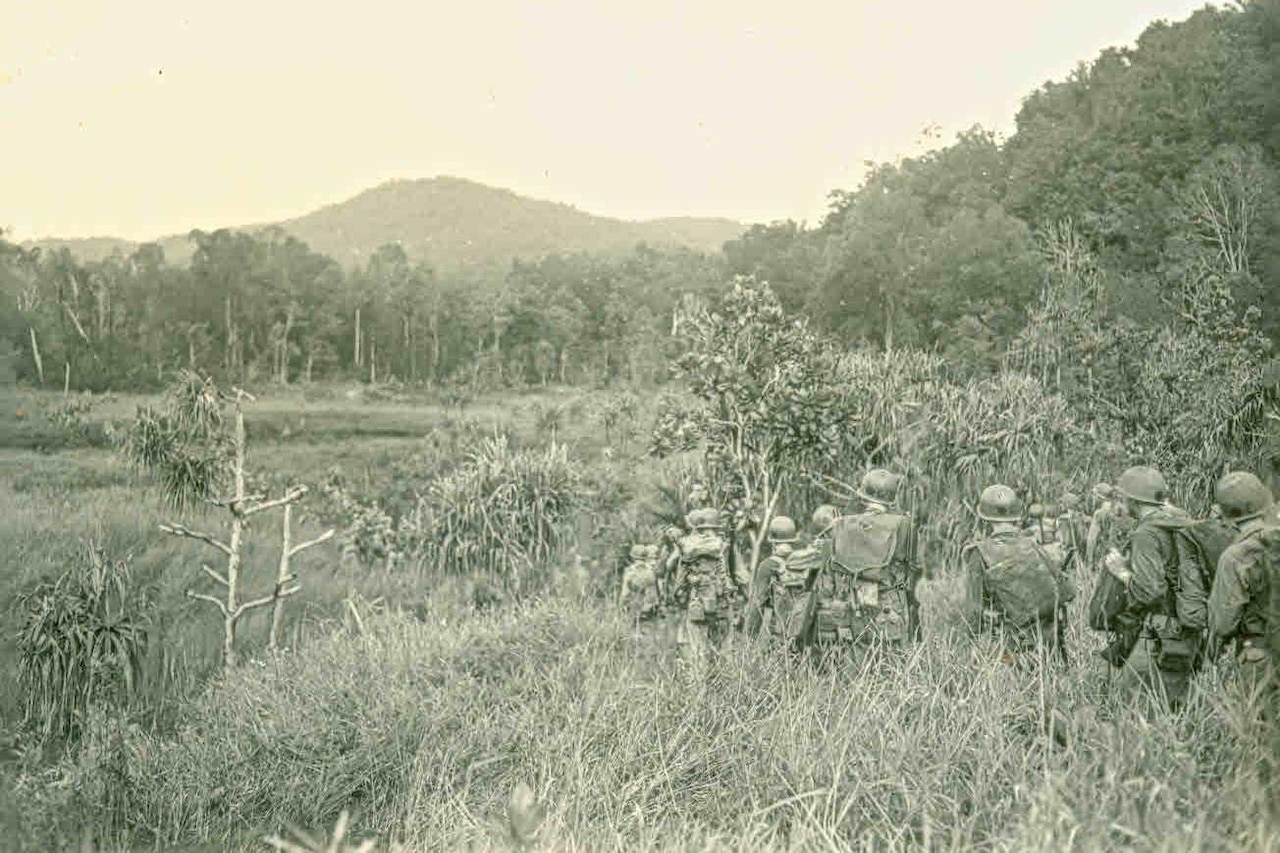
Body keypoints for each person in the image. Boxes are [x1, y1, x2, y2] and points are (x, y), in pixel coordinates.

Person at [1092, 466, 1201, 711]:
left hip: (1161, 631)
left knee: (1131, 703)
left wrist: (1121, 571)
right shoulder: (1181, 522)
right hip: (1188, 626)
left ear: (1132, 499)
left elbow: (1150, 591)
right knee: (1175, 702)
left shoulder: (1146, 533)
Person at [810, 469, 919, 656]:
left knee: (853, 666)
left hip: (851, 607)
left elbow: (827, 572)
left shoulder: (840, 524)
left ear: (863, 496)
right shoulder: (905, 526)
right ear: (892, 498)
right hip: (889, 607)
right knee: (891, 668)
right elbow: (910, 572)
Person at [963, 484, 1074, 664]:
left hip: (1010, 653)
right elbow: (1068, 591)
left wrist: (973, 648)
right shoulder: (1033, 545)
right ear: (1015, 516)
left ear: (984, 519)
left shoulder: (980, 553)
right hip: (1048, 647)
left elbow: (974, 611)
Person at [1208, 472, 1278, 702]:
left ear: (1226, 513)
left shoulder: (1235, 557)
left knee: (1258, 729)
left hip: (1259, 656)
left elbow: (1223, 624)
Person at [669, 508, 734, 666]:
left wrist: (677, 595)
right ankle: (724, 683)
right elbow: (734, 575)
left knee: (698, 647)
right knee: (722, 647)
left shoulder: (688, 548)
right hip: (722, 602)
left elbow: (679, 582)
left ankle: (700, 685)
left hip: (697, 601)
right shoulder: (723, 546)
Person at [745, 516, 809, 647]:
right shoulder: (806, 563)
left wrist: (749, 639)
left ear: (772, 541)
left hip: (780, 635)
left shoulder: (768, 565)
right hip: (805, 633)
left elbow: (758, 604)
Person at [619, 543, 661, 625]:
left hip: (636, 610)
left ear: (632, 557)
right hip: (651, 608)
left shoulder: (630, 573)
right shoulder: (652, 571)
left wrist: (621, 606)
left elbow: (625, 593)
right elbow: (658, 591)